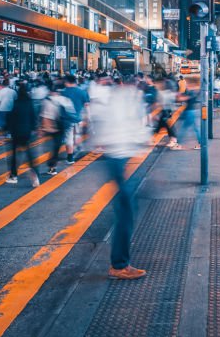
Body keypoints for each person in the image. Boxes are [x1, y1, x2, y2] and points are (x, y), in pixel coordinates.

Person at [87, 75, 150, 279]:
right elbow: (130, 129)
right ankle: (119, 265)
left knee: (127, 207)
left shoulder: (116, 98)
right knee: (126, 209)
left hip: (117, 157)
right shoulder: (125, 100)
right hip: (117, 156)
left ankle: (120, 263)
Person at [40, 82, 77, 176]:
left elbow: (46, 117)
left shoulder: (48, 101)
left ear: (50, 91)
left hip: (54, 127)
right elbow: (72, 113)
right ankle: (70, 158)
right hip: (66, 126)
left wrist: (42, 129)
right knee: (67, 141)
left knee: (54, 148)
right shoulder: (66, 99)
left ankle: (52, 168)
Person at [6, 82, 39, 187]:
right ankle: (34, 174)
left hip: (16, 132)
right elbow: (33, 117)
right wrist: (34, 129)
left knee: (14, 155)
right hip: (27, 132)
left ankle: (13, 175)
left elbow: (11, 119)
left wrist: (8, 130)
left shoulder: (15, 103)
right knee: (29, 154)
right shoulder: (30, 103)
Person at [61, 75, 89, 163]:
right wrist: (87, 118)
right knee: (77, 135)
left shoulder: (63, 93)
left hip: (66, 119)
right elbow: (87, 106)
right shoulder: (82, 92)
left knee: (68, 139)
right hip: (78, 119)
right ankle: (77, 147)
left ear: (66, 82)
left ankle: (70, 157)